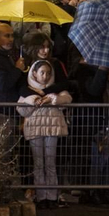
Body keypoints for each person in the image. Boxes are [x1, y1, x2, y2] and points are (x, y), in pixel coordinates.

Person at [17, 59, 72, 207]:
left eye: (48, 73)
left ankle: (52, 197)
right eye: (42, 73)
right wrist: (33, 100)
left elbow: (67, 99)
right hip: (35, 130)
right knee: (38, 163)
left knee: (50, 162)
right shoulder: (27, 90)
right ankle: (41, 196)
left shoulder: (55, 90)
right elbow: (22, 110)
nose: (45, 76)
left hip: (52, 129)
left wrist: (53, 99)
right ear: (34, 73)